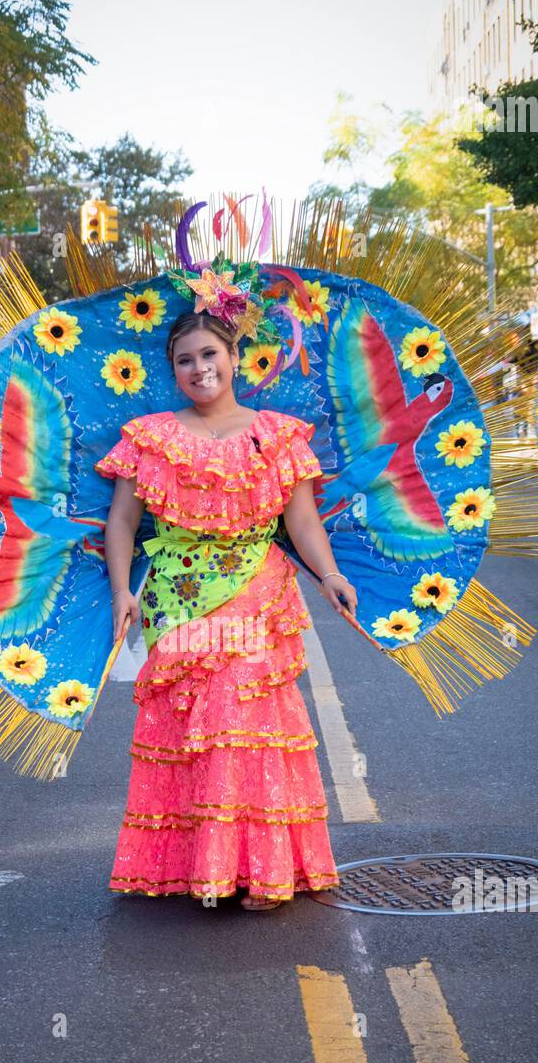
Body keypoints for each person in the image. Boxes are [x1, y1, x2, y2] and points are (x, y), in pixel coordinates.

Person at [93, 310, 358, 911]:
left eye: (209, 354)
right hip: (178, 600)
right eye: (185, 360)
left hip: (258, 595)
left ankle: (258, 870)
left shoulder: (278, 435)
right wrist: (121, 590)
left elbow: (301, 520)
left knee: (247, 727)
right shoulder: (151, 436)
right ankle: (199, 865)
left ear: (235, 357)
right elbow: (124, 521)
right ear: (174, 371)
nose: (199, 368)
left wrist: (330, 575)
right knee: (192, 730)